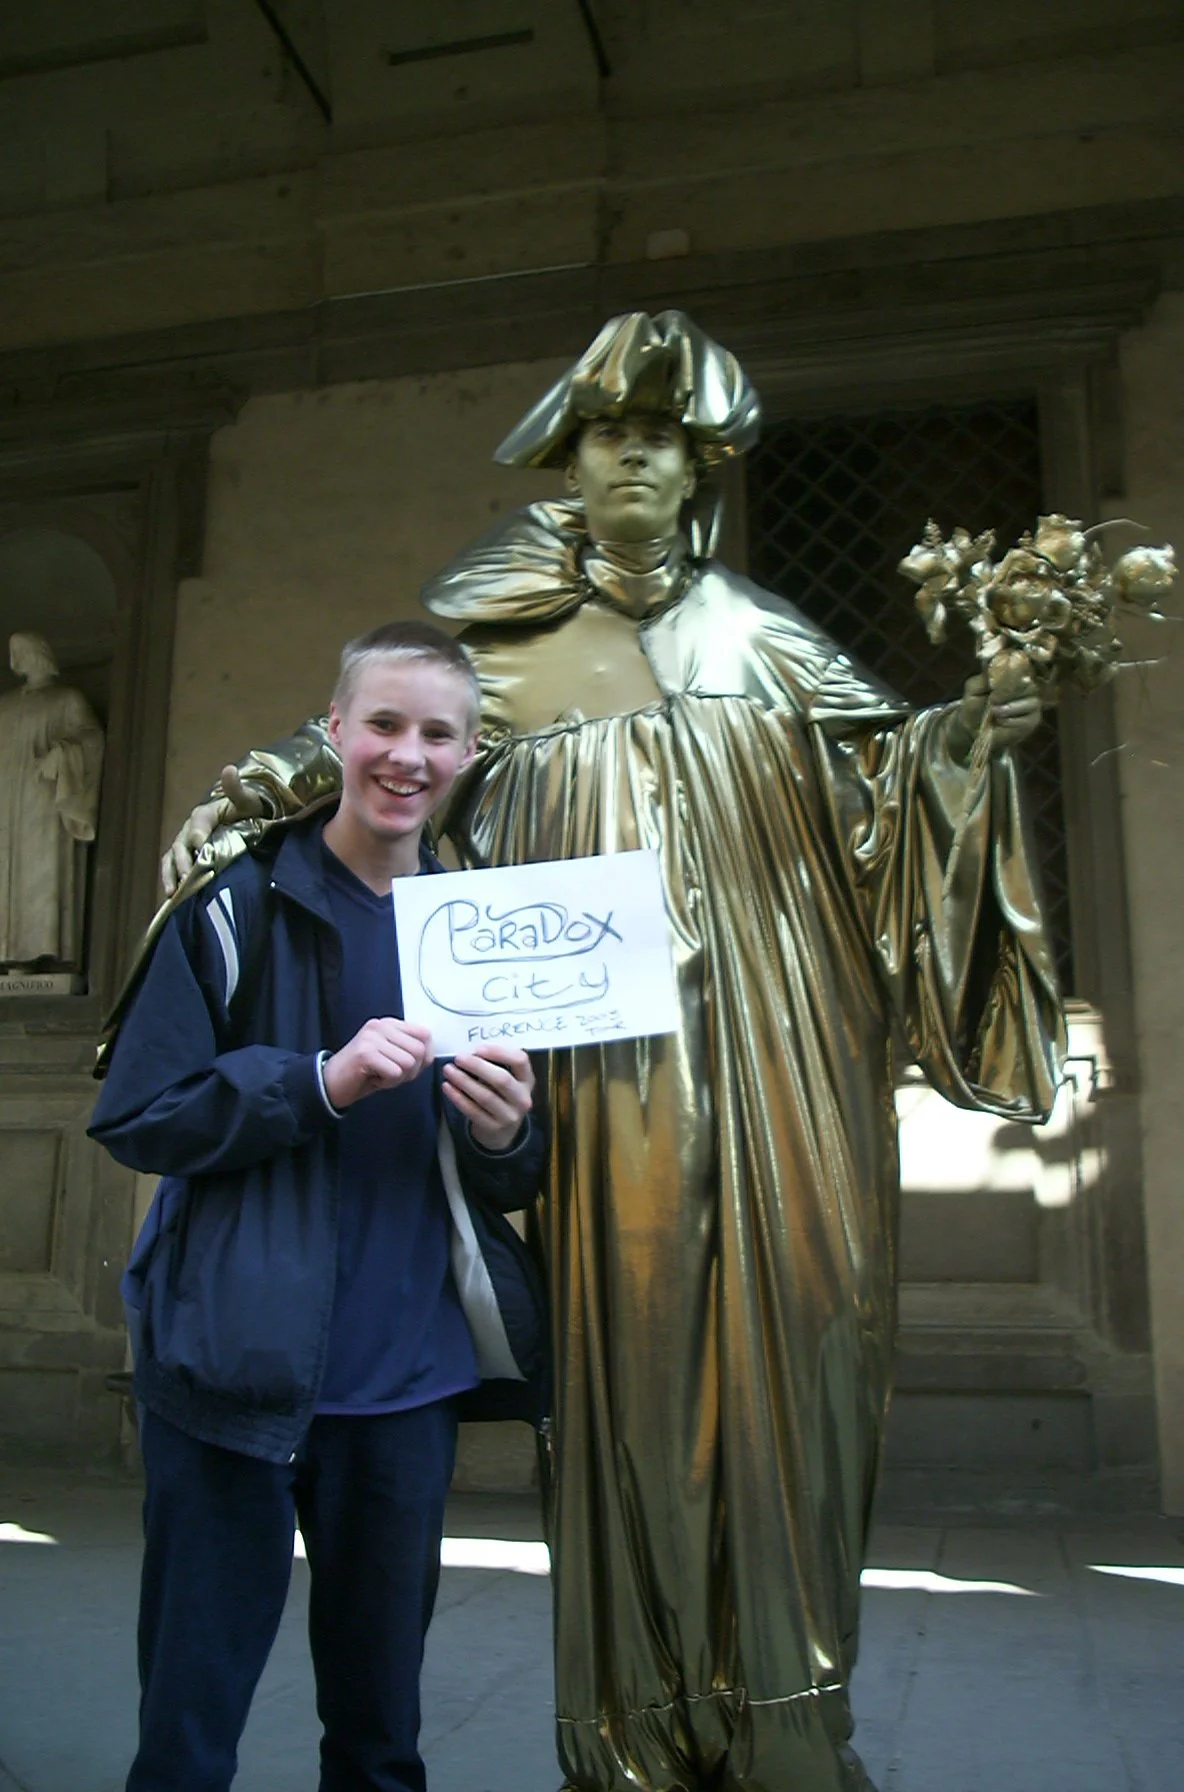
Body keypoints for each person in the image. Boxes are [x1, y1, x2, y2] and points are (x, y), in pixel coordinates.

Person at [150, 313, 1065, 1792]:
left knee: (805, 1365)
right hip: (607, 1088)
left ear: (700, 469)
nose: (633, 456)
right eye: (607, 435)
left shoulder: (764, 639)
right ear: (568, 466)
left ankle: (785, 1716)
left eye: (661, 437)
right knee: (633, 1386)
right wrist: (248, 789)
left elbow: (885, 806)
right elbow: (373, 758)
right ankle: (641, 1733)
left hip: (785, 1070)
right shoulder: (489, 651)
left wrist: (968, 740)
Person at [89, 621, 547, 1792]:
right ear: (335, 731)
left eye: (436, 733)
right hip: (229, 1371)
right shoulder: (233, 903)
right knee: (187, 1737)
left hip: (404, 1387)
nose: (407, 755)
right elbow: (140, 1113)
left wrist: (508, 1135)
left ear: (468, 752)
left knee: (380, 1739)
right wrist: (314, 1081)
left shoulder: (488, 930)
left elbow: (513, 1174)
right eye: (383, 724)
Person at [0, 630, 103, 966]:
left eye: (22, 651)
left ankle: (45, 954)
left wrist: (62, 754)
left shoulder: (66, 699)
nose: (17, 659)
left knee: (42, 874)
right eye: (14, 652)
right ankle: (8, 957)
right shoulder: (6, 705)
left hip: (45, 801)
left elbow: (91, 738)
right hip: (6, 805)